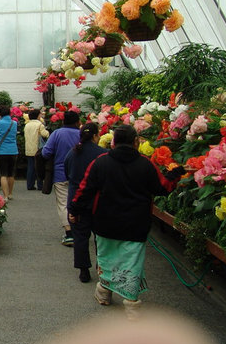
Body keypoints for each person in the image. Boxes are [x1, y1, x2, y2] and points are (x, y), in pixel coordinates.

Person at [68, 125, 185, 320]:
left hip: (105, 221)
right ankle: (131, 304)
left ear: (113, 142)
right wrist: (175, 173)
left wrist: (74, 211)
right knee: (132, 262)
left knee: (106, 257)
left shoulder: (100, 162)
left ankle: (104, 292)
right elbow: (163, 187)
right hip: (136, 223)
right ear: (136, 142)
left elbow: (84, 189)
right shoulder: (145, 164)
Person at [63, 122, 106, 283]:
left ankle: (83, 270)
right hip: (97, 201)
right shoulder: (103, 154)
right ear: (95, 136)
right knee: (100, 237)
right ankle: (101, 267)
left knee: (80, 236)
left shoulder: (73, 153)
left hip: (76, 201)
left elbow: (67, 172)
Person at [40, 110, 80, 246]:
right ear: (78, 122)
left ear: (63, 121)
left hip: (60, 174)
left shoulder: (57, 134)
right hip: (79, 175)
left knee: (63, 203)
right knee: (78, 201)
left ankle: (69, 233)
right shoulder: (82, 134)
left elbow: (45, 152)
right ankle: (79, 230)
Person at [0, 105, 18, 199]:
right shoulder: (14, 123)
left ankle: (5, 196)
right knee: (11, 174)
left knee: (3, 174)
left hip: (2, 151)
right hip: (13, 150)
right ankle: (10, 194)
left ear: (0, 113)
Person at [23, 108, 49, 191]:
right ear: (37, 115)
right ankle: (40, 185)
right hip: (38, 149)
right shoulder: (39, 124)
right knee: (39, 167)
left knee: (30, 167)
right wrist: (47, 131)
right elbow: (45, 134)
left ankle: (30, 185)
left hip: (29, 148)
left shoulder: (27, 125)